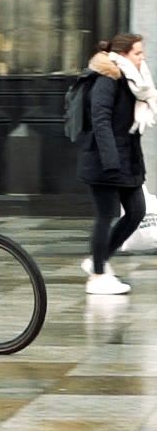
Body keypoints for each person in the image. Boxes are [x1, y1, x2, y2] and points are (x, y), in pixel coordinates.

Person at [76, 33, 156, 295]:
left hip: (127, 157)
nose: (142, 57)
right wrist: (111, 161)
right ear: (122, 55)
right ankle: (98, 276)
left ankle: (97, 260)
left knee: (136, 212)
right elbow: (100, 121)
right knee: (106, 215)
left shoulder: (133, 81)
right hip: (104, 160)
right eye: (137, 53)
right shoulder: (107, 79)